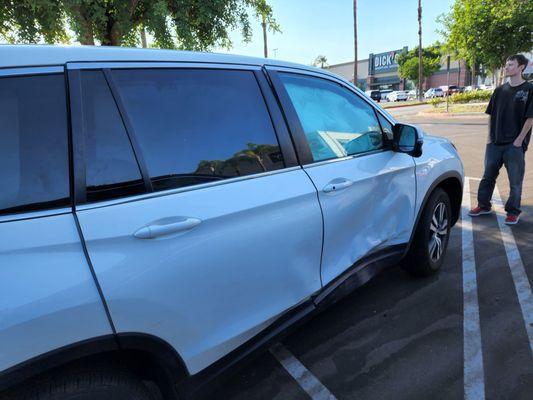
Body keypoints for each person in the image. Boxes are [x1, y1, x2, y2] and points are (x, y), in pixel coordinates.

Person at [469, 54, 533, 224]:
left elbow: (530, 118)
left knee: (515, 181)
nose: (506, 67)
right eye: (506, 64)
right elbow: (491, 115)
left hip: (515, 144)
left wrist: (520, 140)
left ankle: (513, 212)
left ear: (521, 67)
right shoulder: (499, 91)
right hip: (495, 143)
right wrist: (489, 137)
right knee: (487, 176)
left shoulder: (529, 89)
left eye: (511, 65)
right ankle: (483, 205)